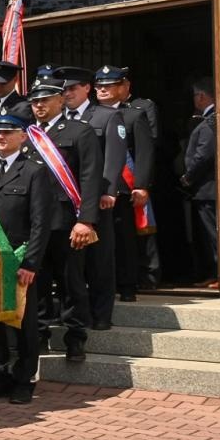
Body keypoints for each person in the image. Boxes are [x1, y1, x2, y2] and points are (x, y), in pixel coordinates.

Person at [0, 115, 56, 403]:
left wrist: (31, 262)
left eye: (7, 132)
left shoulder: (34, 171)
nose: (0, 137)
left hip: (17, 260)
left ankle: (24, 379)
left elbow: (41, 222)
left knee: (22, 325)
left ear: (22, 136)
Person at [21, 75, 103, 364]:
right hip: (33, 223)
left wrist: (86, 220)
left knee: (71, 281)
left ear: (60, 100)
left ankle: (75, 337)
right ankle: (39, 333)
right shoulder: (26, 134)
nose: (39, 106)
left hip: (66, 220)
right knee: (37, 280)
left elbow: (91, 177)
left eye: (45, 100)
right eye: (35, 101)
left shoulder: (80, 132)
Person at [57, 66, 128, 331]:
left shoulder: (106, 115)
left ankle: (101, 314)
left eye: (72, 89)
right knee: (71, 263)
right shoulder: (59, 119)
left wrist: (108, 191)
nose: (67, 94)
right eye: (63, 90)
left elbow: (114, 156)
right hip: (66, 201)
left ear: (87, 88)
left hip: (96, 198)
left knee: (100, 259)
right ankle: (76, 312)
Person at [93, 65, 156, 303]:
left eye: (109, 86)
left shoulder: (134, 115)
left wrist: (141, 185)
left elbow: (144, 152)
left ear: (122, 87)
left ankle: (128, 285)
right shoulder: (90, 114)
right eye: (99, 86)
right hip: (97, 185)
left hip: (124, 185)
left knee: (124, 238)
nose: (103, 90)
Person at [182, 78, 219, 287]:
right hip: (206, 188)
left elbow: (203, 155)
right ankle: (214, 273)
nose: (195, 99)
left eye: (196, 95)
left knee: (212, 233)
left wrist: (189, 176)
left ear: (202, 96)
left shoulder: (209, 121)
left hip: (207, 188)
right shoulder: (207, 119)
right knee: (207, 234)